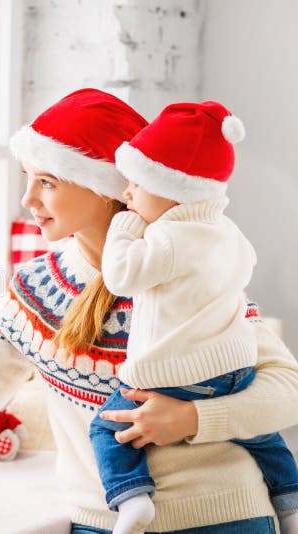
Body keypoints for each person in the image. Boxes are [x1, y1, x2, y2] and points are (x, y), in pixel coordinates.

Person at [0, 88, 298, 533]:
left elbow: (287, 389)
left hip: (224, 517)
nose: (28, 198)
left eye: (48, 181)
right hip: (103, 523)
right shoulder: (37, 289)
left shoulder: (184, 260)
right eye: (28, 178)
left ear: (106, 188)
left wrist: (190, 419)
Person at [90, 101, 298, 534]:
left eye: (136, 184)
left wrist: (125, 228)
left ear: (174, 190)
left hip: (174, 376)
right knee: (262, 436)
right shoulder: (229, 232)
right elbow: (244, 269)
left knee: (107, 428)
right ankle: (291, 500)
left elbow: (120, 275)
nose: (126, 194)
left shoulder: (166, 238)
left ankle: (132, 498)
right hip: (235, 371)